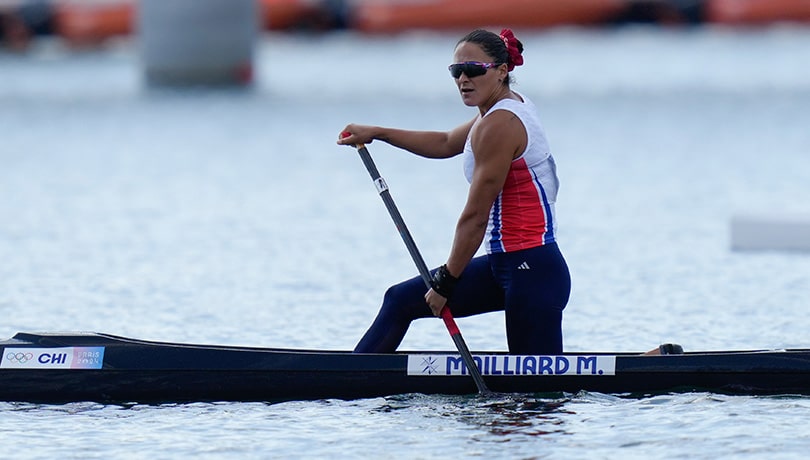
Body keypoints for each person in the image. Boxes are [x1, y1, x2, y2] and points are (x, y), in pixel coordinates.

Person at [337, 28, 571, 355]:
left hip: (532, 269)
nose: (463, 78)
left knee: (534, 393)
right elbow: (446, 142)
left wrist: (446, 282)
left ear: (502, 71)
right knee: (400, 300)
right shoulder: (495, 112)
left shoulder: (500, 125)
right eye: (456, 71)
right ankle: (353, 379)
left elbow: (475, 218)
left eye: (473, 69)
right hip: (502, 265)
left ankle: (655, 365)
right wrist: (378, 132)